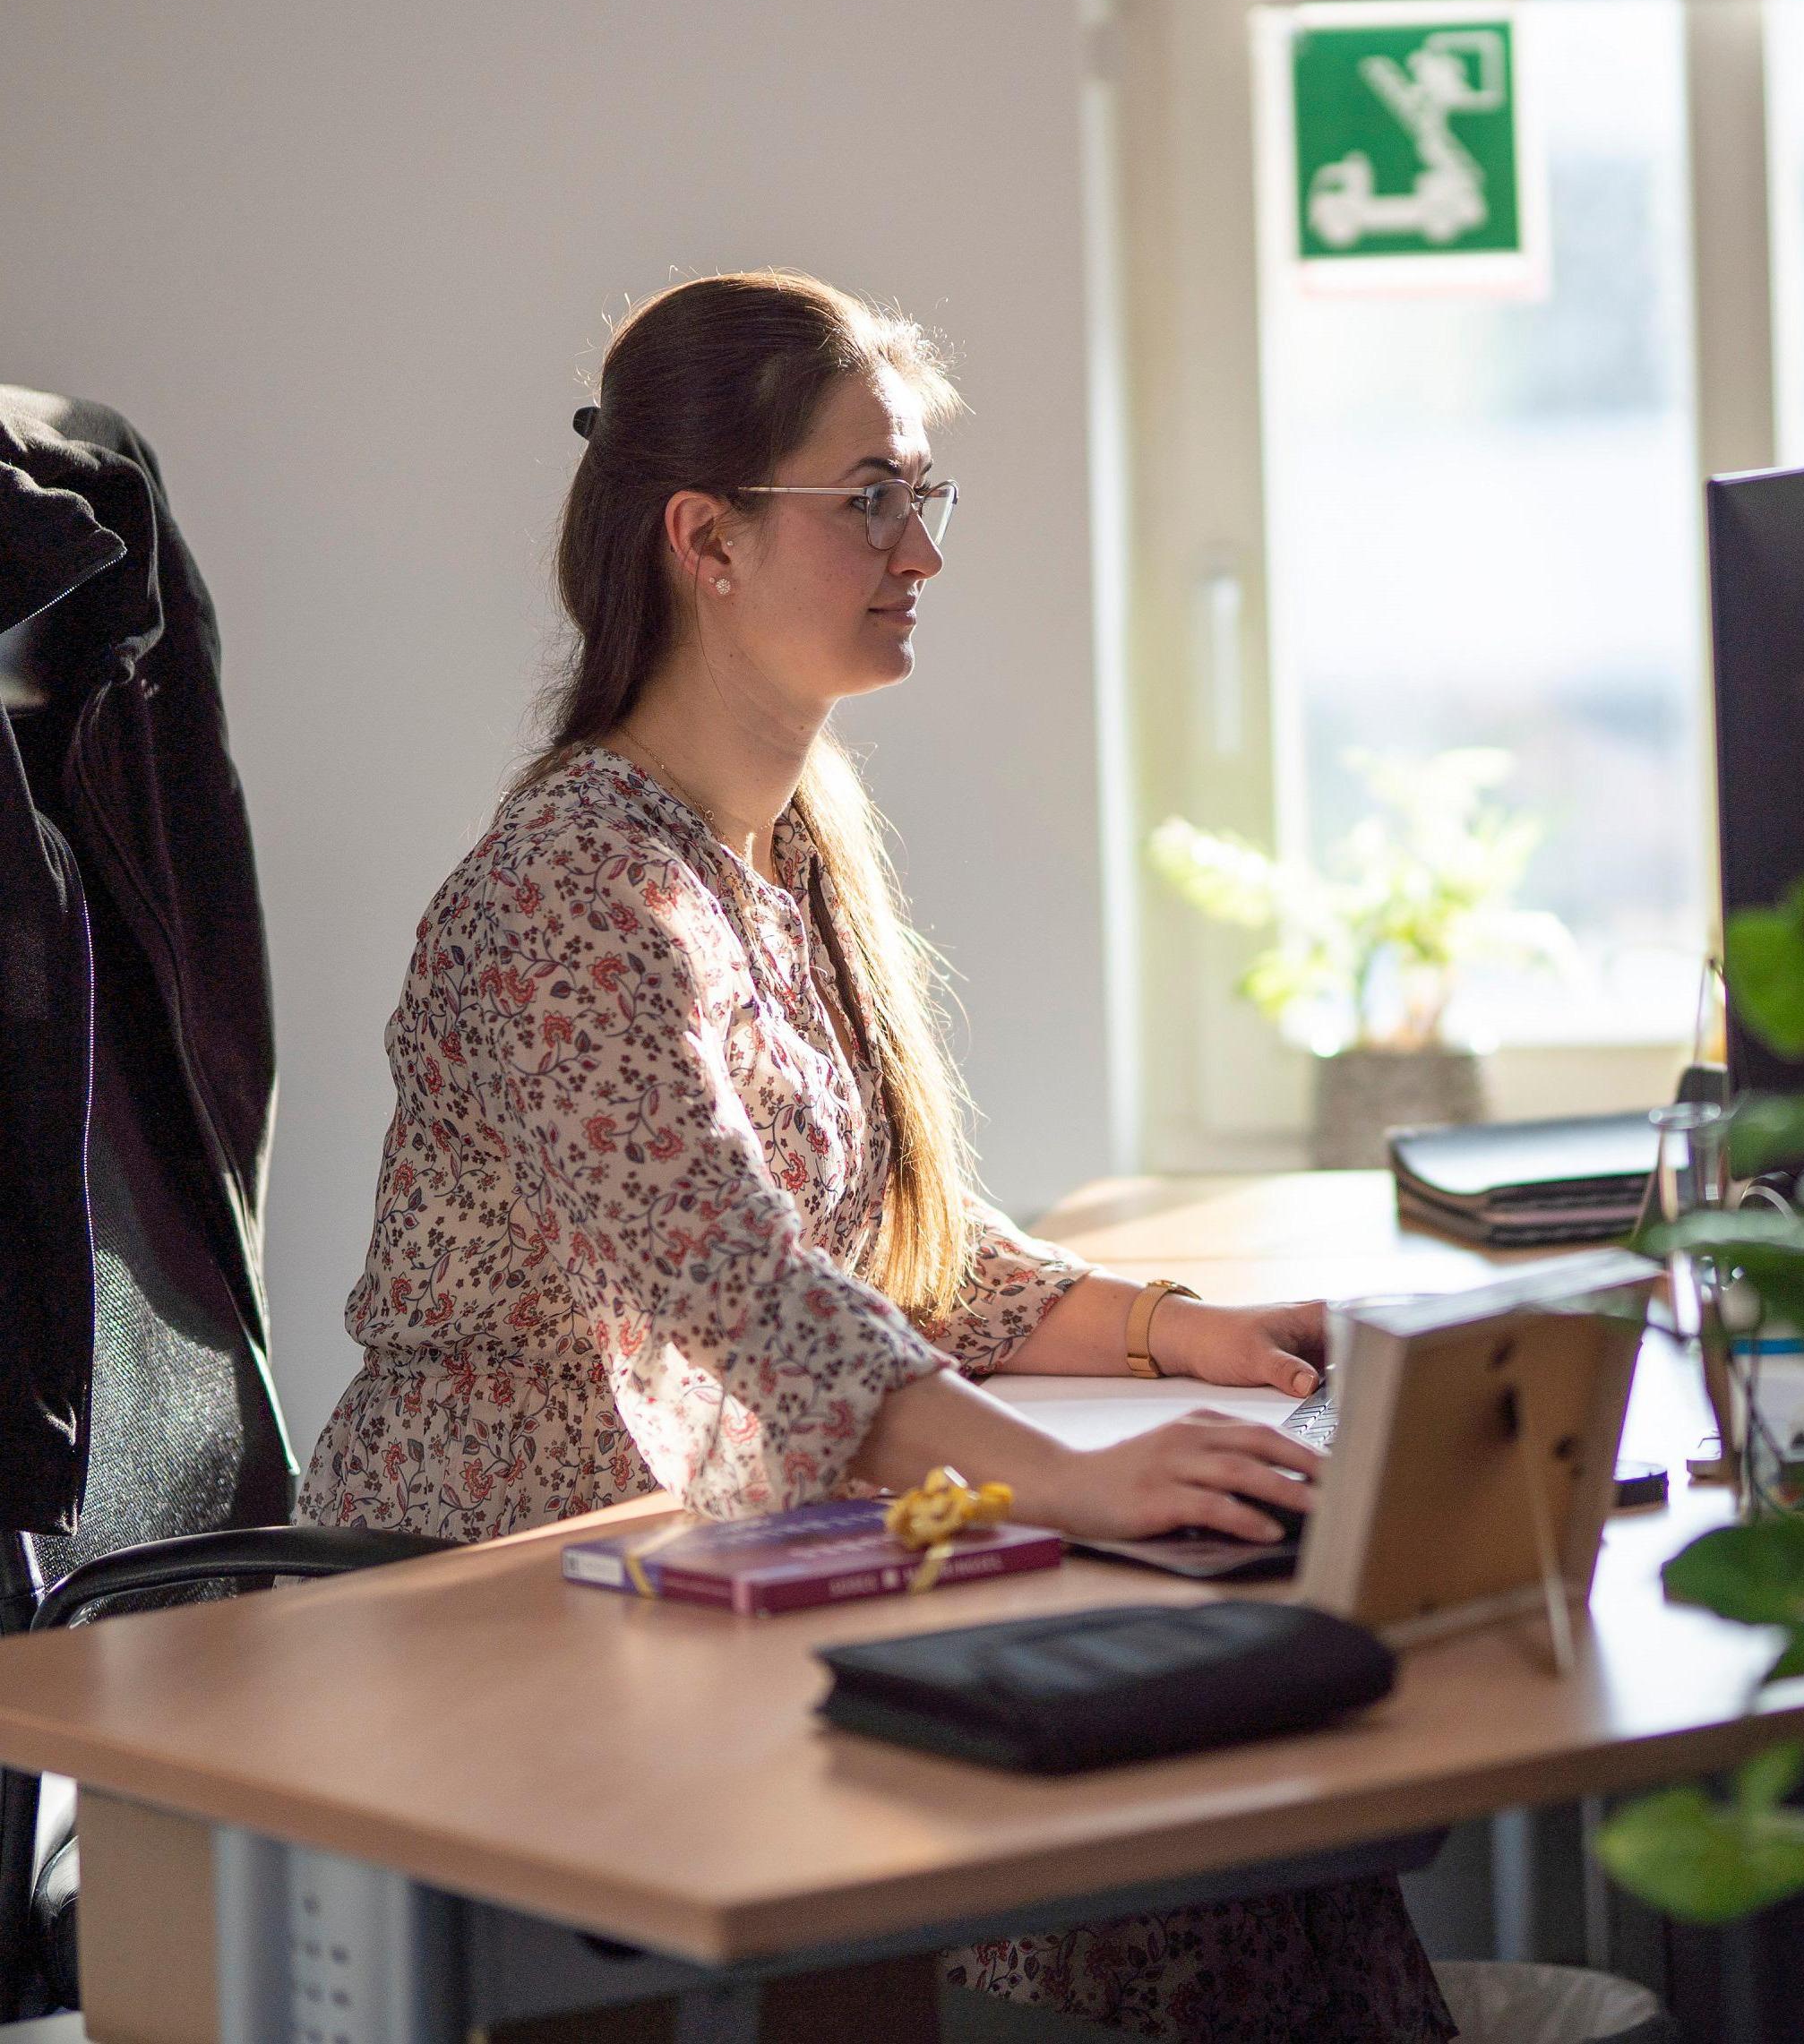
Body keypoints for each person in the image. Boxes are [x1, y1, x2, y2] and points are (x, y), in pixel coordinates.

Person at [299, 271, 1454, 2044]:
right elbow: (757, 1300)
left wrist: (1183, 1332)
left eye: (921, 495)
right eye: (870, 500)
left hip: (710, 1564)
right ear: (707, 541)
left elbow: (882, 1246)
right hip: (515, 1598)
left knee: (1258, 1817)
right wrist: (1065, 1481)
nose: (918, 545)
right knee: (1161, 1835)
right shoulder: (568, 898)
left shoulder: (786, 851)